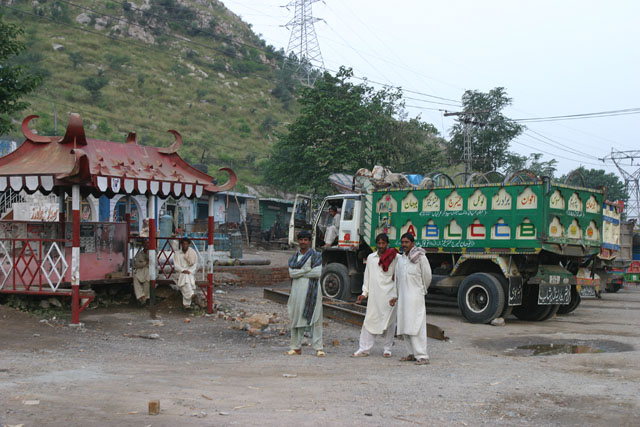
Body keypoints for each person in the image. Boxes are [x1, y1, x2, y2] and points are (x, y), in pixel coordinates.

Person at [352, 233, 398, 358]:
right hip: (375, 296)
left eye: (383, 243)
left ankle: (387, 348)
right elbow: (367, 276)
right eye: (379, 243)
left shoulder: (395, 257)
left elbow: (399, 276)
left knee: (390, 322)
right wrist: (364, 293)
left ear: (387, 244)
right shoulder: (371, 258)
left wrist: (396, 294)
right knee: (370, 320)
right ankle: (364, 348)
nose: (381, 246)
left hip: (390, 296)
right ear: (376, 244)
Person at [391, 232, 432, 365]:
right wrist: (395, 296)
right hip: (403, 298)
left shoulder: (420, 258)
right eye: (402, 242)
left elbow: (427, 277)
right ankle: (411, 353)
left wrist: (421, 291)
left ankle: (422, 356)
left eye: (407, 242)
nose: (404, 245)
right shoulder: (401, 260)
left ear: (412, 243)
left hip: (415, 297)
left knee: (416, 326)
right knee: (405, 326)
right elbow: (397, 279)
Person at [286, 230, 324, 357]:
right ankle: (296, 347)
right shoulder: (294, 257)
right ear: (298, 241)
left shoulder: (315, 255)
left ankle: (319, 348)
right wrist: (307, 270)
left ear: (309, 241)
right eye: (301, 239)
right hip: (297, 291)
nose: (303, 242)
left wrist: (300, 272)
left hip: (312, 292)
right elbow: (292, 274)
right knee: (296, 318)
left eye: (305, 240)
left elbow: (317, 273)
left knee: (315, 318)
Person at [174, 237, 198, 310]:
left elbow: (195, 265)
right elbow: (176, 266)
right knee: (185, 277)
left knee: (186, 279)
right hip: (179, 273)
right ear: (181, 244)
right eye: (183, 244)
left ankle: (186, 305)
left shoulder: (193, 253)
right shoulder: (177, 254)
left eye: (186, 244)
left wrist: (189, 271)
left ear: (189, 244)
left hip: (190, 273)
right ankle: (190, 295)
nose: (185, 245)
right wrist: (183, 270)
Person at [132, 239, 150, 305]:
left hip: (149, 270)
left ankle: (144, 298)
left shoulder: (152, 253)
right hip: (141, 270)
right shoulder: (140, 254)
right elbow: (136, 264)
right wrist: (145, 263)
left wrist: (143, 263)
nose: (146, 245)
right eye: (145, 243)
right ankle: (141, 296)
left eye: (147, 243)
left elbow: (153, 264)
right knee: (135, 277)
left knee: (147, 279)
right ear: (142, 245)